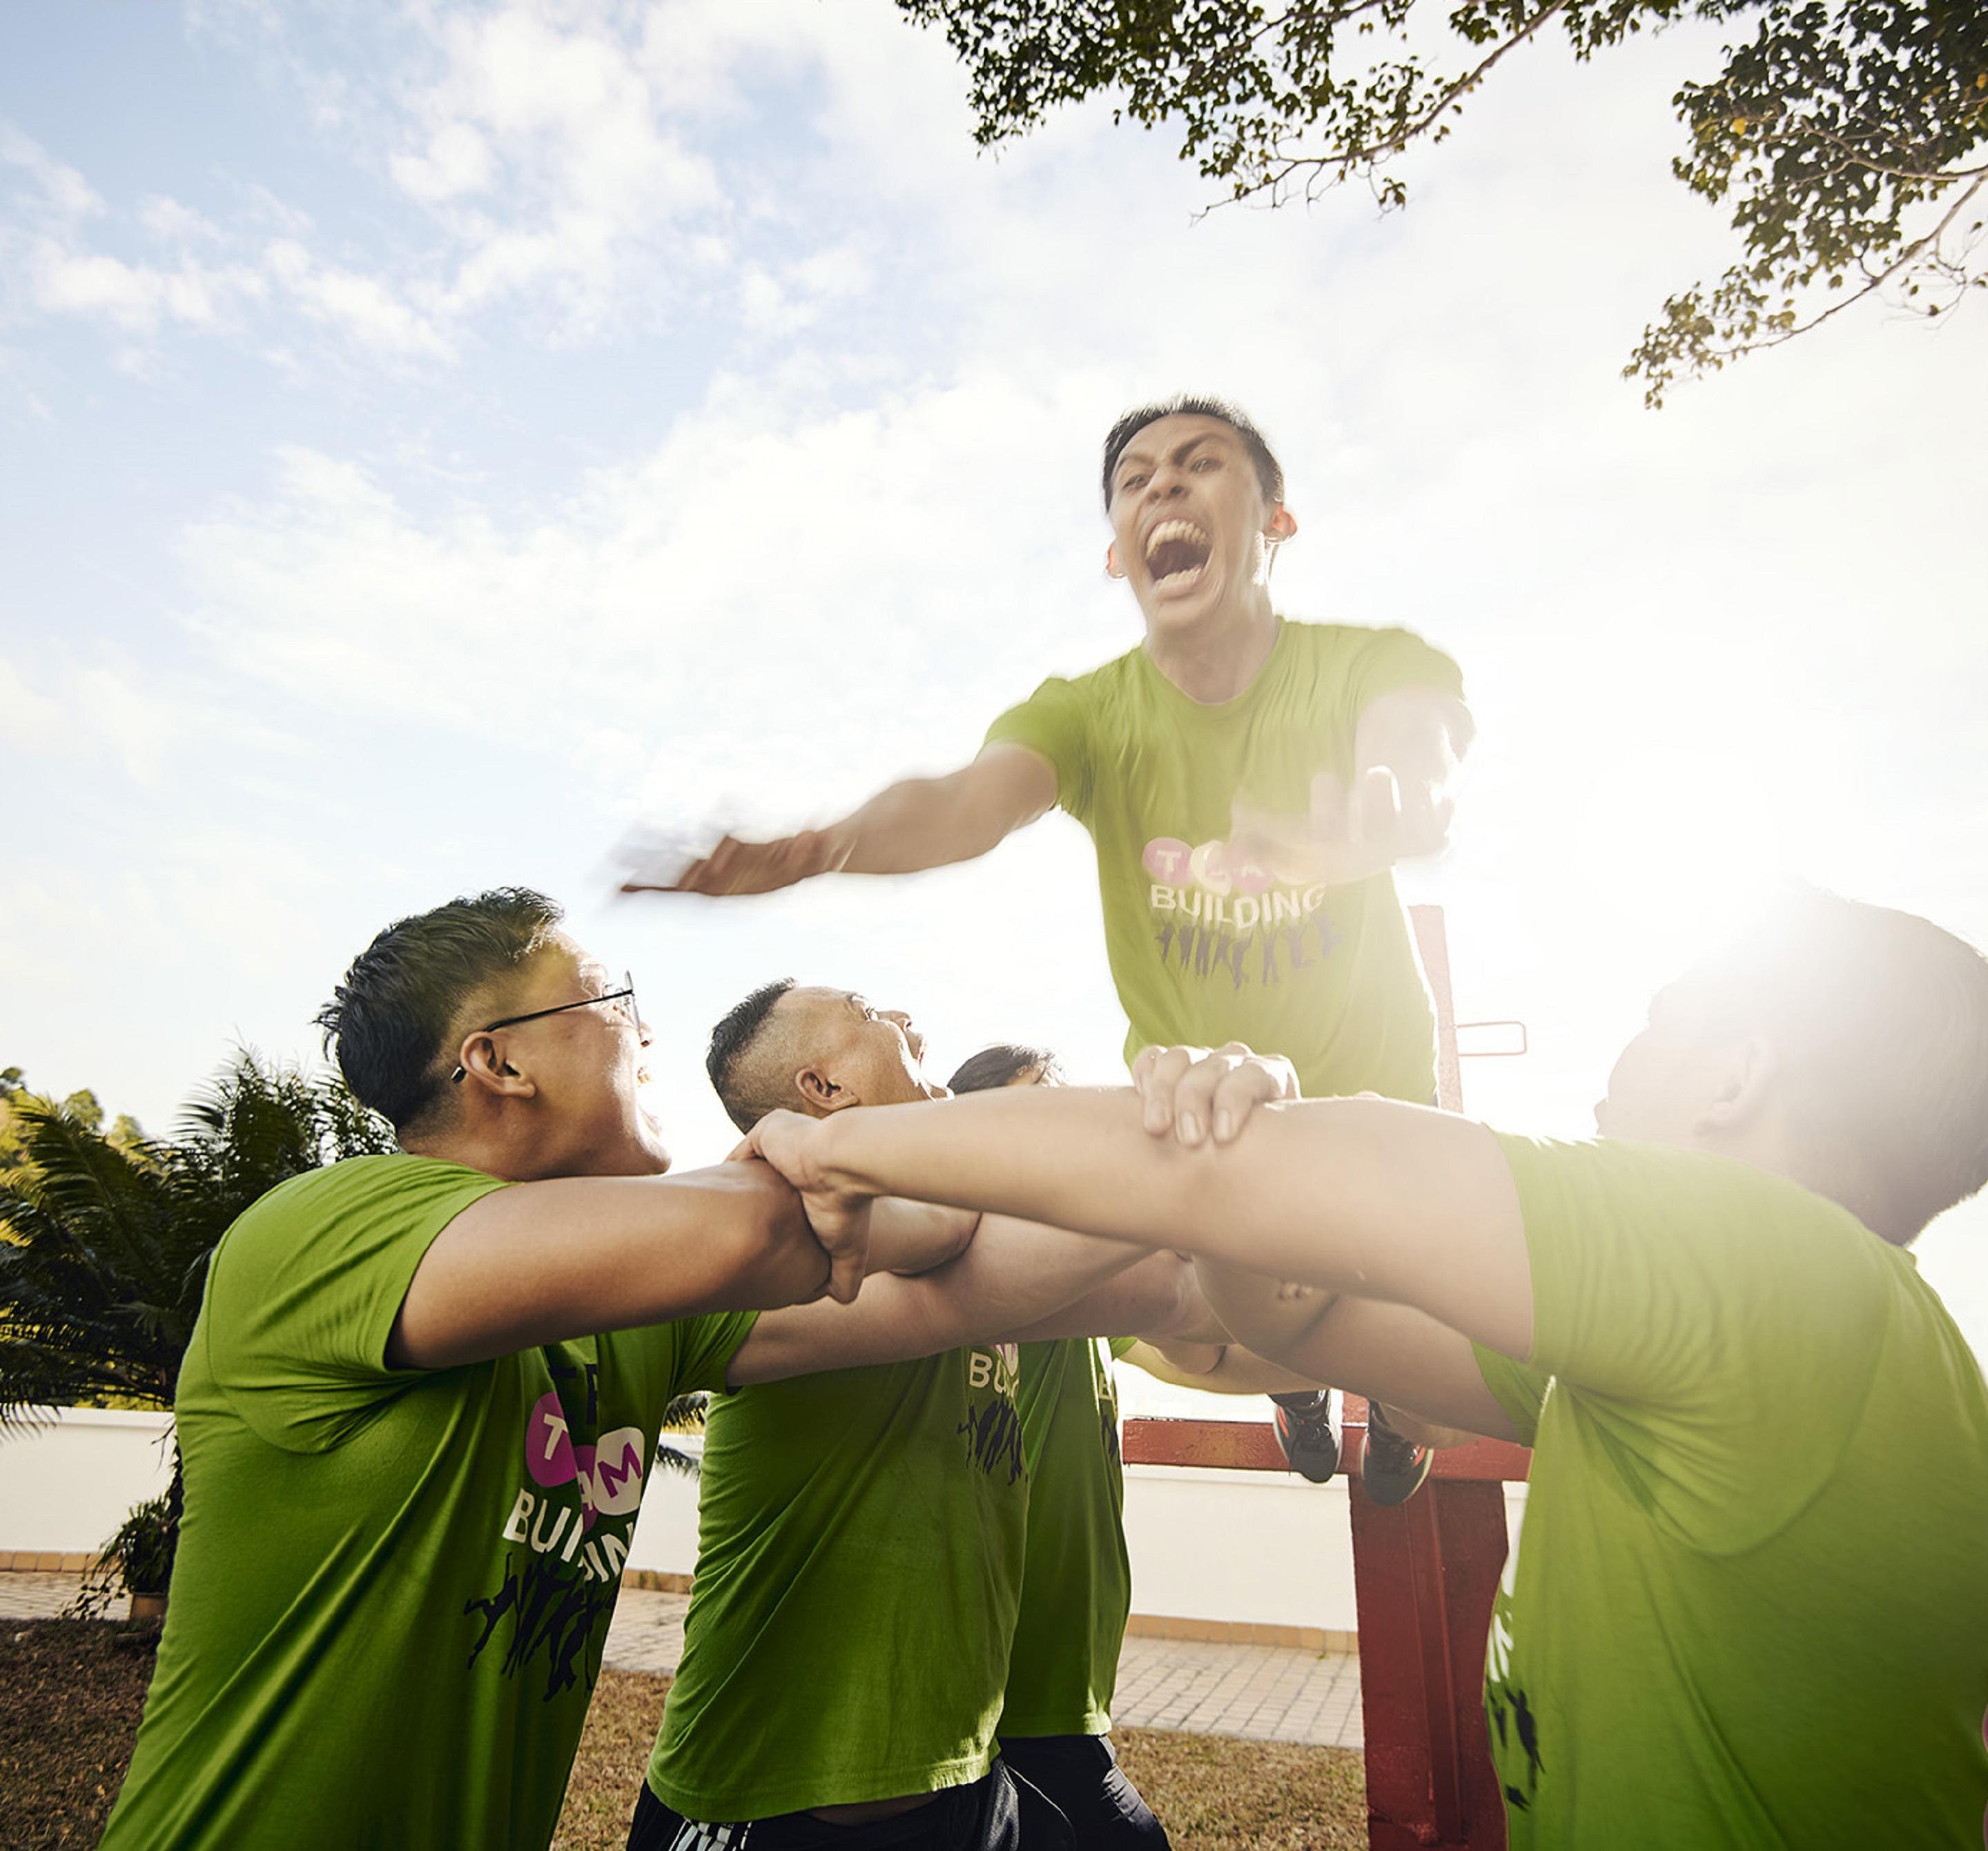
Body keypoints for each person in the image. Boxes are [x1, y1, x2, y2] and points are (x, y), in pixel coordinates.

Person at [736, 887, 1988, 1848]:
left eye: (1659, 1028)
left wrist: (841, 1147)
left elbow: (1235, 1190)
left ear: (1735, 1078)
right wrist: (1247, 1148)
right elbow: (1278, 1300)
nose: (1614, 1067)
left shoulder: (1766, 1264)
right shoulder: (1754, 1349)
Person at [630, 394, 1472, 1501]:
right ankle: (1299, 1389)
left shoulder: (1371, 663)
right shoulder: (1088, 713)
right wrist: (825, 845)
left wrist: (1391, 807)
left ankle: (1391, 1425)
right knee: (1228, 1298)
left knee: (1426, 1387)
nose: (1162, 485)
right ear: (1117, 552)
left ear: (1276, 519)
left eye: (1201, 463)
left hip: (1378, 1097)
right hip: (1198, 1114)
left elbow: (1421, 752)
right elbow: (966, 803)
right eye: (1135, 478)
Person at [631, 985, 1227, 1851]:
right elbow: (990, 1228)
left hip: (962, 1783)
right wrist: (1204, 1121)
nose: (908, 1021)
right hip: (768, 1809)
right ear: (824, 1086)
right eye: (871, 1012)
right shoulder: (772, 1249)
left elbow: (1182, 1294)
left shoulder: (958, 1238)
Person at [950, 1043, 1321, 1850]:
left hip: (1063, 1699)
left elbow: (1203, 1353)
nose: (1076, 1130)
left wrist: (1326, 1358)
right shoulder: (968, 1266)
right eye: (1040, 1111)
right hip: (999, 1710)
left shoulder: (1090, 1284)